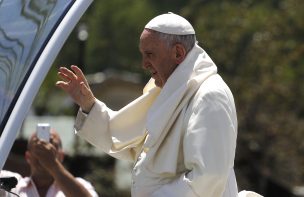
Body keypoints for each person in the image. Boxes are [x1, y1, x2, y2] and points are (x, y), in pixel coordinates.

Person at [56, 12, 256, 197]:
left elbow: (208, 178)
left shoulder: (209, 94)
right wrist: (89, 104)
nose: (144, 64)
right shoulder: (167, 90)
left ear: (178, 53)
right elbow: (130, 142)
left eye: (150, 54)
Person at [14, 129, 98, 197]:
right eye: (38, 147)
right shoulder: (12, 187)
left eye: (51, 146)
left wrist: (53, 164)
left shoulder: (81, 185)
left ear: (61, 156)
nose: (44, 152)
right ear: (28, 156)